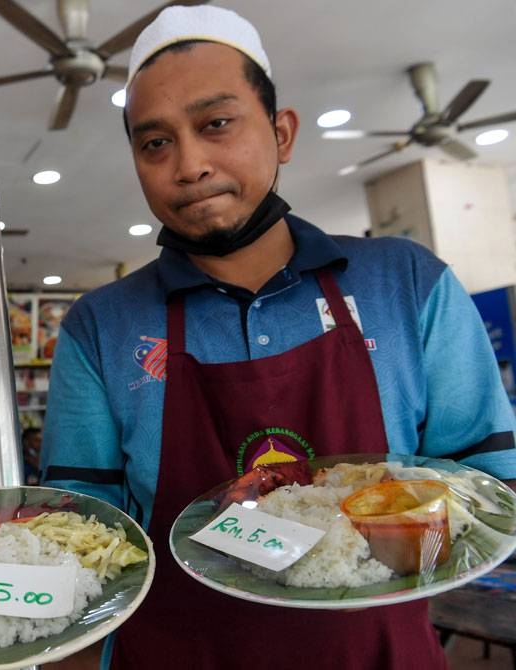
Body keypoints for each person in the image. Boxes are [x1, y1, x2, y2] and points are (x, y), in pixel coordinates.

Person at [39, 5, 516, 670]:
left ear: (282, 132)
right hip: (175, 651)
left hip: (376, 651)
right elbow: (83, 531)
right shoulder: (102, 324)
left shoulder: (405, 283)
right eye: (156, 143)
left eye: (217, 124)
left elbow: (490, 490)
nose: (190, 164)